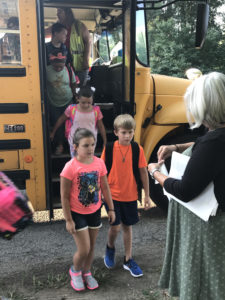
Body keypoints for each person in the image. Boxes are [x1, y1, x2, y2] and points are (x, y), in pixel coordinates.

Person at [148, 72, 225, 300]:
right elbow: (208, 149)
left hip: (212, 225)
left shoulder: (213, 141)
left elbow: (185, 191)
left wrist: (155, 173)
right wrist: (178, 146)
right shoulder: (217, 137)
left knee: (208, 282)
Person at [60, 128, 115, 291]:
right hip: (77, 214)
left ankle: (87, 272)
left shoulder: (99, 163)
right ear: (75, 147)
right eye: (85, 145)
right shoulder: (70, 167)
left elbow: (105, 187)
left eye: (92, 144)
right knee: (83, 249)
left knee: (91, 247)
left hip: (95, 211)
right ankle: (75, 271)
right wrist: (68, 220)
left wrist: (110, 209)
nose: (90, 148)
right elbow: (64, 196)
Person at [101, 114, 151, 277]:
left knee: (127, 227)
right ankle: (110, 247)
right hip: (112, 195)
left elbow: (143, 173)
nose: (127, 136)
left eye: (130, 132)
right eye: (123, 132)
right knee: (115, 227)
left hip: (130, 195)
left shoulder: (138, 149)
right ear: (116, 132)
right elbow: (101, 174)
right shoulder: (108, 149)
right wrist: (101, 194)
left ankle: (128, 259)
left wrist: (147, 196)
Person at [50, 85, 107, 157]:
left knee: (88, 160)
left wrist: (105, 141)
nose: (86, 105)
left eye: (89, 103)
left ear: (93, 99)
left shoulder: (96, 110)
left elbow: (101, 126)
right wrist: (53, 132)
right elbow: (61, 119)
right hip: (74, 141)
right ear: (77, 98)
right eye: (83, 102)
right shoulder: (71, 109)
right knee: (76, 161)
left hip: (90, 142)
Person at [46, 51, 76, 155]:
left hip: (68, 101)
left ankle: (72, 145)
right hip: (54, 102)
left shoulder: (68, 69)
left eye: (61, 67)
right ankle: (60, 145)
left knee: (71, 124)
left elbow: (73, 84)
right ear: (52, 63)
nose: (59, 69)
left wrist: (75, 97)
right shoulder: (46, 70)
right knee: (57, 124)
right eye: (56, 67)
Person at [57, 7, 91, 86]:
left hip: (80, 65)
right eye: (57, 12)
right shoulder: (57, 27)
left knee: (79, 90)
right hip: (64, 65)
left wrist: (86, 60)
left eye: (60, 11)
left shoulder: (79, 26)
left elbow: (88, 41)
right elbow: (44, 32)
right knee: (66, 89)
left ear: (67, 13)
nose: (57, 14)